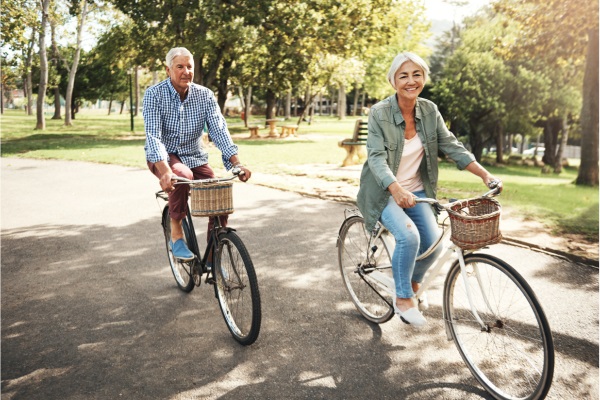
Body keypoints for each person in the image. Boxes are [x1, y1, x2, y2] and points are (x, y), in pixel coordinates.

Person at [357, 52, 502, 327]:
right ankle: (402, 300)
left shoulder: (429, 110)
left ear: (423, 78)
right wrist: (396, 189)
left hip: (418, 191)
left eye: (416, 74)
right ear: (393, 81)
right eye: (403, 75)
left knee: (434, 245)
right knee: (408, 238)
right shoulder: (379, 113)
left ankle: (410, 285)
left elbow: (450, 145)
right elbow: (376, 158)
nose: (411, 81)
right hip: (384, 191)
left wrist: (485, 175)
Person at [143, 47, 251, 261]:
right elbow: (153, 137)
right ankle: (177, 235)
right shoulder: (154, 94)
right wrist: (164, 171)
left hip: (194, 155)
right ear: (168, 70)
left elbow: (219, 130)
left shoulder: (205, 95)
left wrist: (236, 163)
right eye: (180, 66)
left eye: (189, 66)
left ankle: (213, 254)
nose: (186, 71)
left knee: (217, 192)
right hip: (165, 156)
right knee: (182, 175)